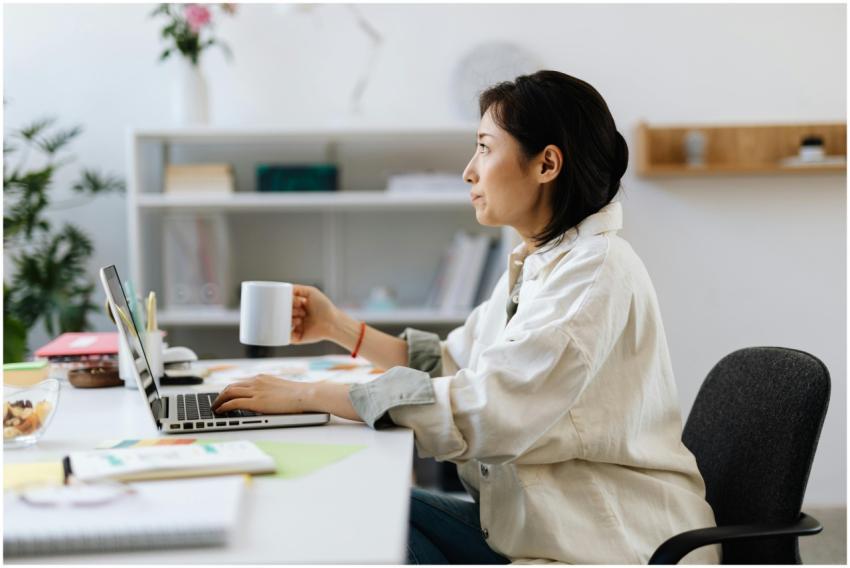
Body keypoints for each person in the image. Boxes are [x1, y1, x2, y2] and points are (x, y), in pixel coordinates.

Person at [212, 70, 720, 564]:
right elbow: (452, 364)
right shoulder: (541, 262)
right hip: (537, 527)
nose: (469, 171)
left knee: (366, 529)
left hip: (604, 542)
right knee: (370, 510)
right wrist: (335, 327)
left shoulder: (594, 273)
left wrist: (305, 395)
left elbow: (489, 408)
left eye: (484, 147)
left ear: (546, 165)